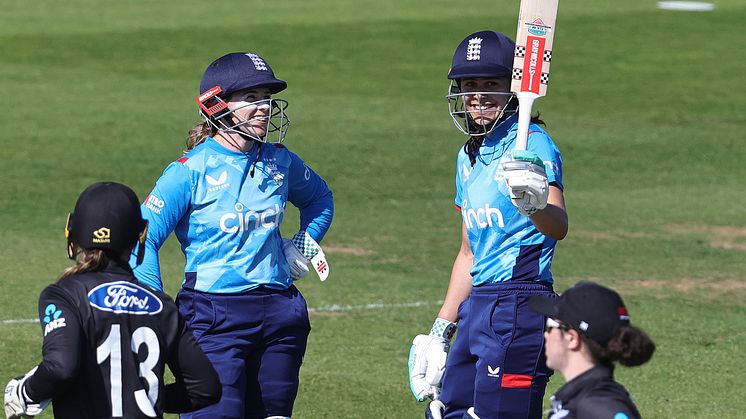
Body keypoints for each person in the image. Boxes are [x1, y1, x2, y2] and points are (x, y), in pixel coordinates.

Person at [131, 52, 334, 418]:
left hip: (280, 316)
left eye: (266, 98)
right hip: (212, 319)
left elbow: (320, 198)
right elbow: (141, 241)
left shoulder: (281, 161)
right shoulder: (188, 172)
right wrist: (156, 312)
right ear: (216, 105)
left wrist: (305, 240)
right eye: (251, 98)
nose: (264, 108)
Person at [408, 30, 568, 418]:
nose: (478, 95)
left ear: (512, 89)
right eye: (469, 85)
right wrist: (441, 329)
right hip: (478, 305)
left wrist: (535, 205)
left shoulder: (533, 144)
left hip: (520, 303)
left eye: (490, 84)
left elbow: (559, 224)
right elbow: (468, 251)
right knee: (449, 410)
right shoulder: (468, 155)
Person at [3, 182, 221, 419]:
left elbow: (61, 368)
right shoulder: (161, 305)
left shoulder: (64, 295)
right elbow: (205, 388)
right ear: (139, 236)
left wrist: (24, 392)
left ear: (73, 233)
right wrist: (143, 396)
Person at [529, 281, 656, 419]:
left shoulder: (597, 405)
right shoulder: (585, 399)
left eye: (550, 326)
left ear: (572, 338)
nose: (546, 334)